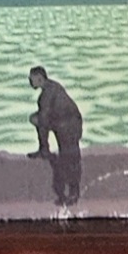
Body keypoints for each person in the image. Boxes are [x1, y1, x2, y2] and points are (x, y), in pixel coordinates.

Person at [27, 66, 83, 207]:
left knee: (70, 158)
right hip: (61, 122)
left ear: (39, 78)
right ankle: (44, 149)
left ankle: (73, 192)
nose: (29, 81)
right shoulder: (50, 88)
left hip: (70, 126)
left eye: (32, 78)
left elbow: (44, 119)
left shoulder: (48, 93)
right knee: (36, 119)